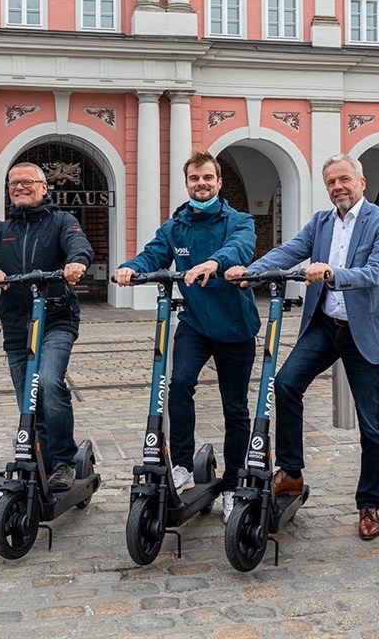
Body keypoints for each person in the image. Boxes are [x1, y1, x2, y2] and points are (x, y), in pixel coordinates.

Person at [224, 154, 379, 541]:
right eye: (331, 182)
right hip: (324, 324)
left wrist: (333, 272)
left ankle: (368, 504)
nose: (338, 186)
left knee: (372, 425)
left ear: (361, 182)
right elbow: (289, 251)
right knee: (286, 384)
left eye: (344, 179)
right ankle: (291, 471)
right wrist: (251, 273)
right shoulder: (320, 222)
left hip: (365, 330)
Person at [113, 150, 260, 523]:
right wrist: (129, 269)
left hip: (235, 327)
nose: (201, 184)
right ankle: (181, 465)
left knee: (236, 407)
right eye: (195, 179)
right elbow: (153, 255)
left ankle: (232, 484)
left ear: (219, 182)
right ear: (187, 183)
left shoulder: (238, 220)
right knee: (178, 384)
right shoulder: (175, 225)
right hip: (194, 322)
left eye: (207, 178)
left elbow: (240, 247)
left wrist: (214, 262)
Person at [0, 162, 95, 491]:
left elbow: (80, 246)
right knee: (29, 398)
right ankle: (40, 458)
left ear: (43, 187)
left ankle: (64, 461)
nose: (19, 187)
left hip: (55, 317)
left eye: (27, 181)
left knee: (51, 384)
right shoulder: (2, 231)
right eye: (13, 183)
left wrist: (76, 263)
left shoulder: (61, 221)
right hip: (16, 325)